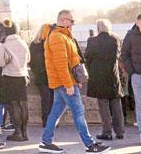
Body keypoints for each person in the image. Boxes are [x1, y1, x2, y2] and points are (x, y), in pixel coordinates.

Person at [39, 9, 110, 153]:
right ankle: (90, 144)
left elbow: (70, 62)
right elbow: (61, 65)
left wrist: (75, 80)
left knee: (55, 112)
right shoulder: (58, 37)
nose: (73, 24)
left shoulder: (59, 36)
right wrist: (68, 84)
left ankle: (46, 141)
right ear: (64, 20)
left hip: (63, 82)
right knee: (78, 112)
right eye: (72, 21)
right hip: (64, 83)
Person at [86, 19, 124, 141]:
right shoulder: (115, 39)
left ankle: (107, 132)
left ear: (98, 28)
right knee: (116, 103)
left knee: (103, 105)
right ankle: (120, 131)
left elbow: (87, 57)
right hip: (113, 75)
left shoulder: (92, 41)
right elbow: (117, 56)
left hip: (98, 76)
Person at [121, 12, 141, 145]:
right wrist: (132, 72)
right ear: (137, 23)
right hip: (137, 75)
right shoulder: (130, 35)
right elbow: (124, 54)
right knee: (139, 105)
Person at [0, 19, 30, 142]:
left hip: (10, 76)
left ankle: (18, 132)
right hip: (23, 76)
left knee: (14, 105)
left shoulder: (3, 43)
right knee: (24, 104)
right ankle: (25, 132)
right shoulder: (23, 42)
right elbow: (28, 59)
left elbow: (0, 63)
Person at [29, 26, 53, 127]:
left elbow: (31, 62)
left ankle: (49, 121)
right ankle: (47, 121)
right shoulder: (39, 45)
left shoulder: (34, 45)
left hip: (45, 75)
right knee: (47, 99)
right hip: (44, 76)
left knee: (49, 99)